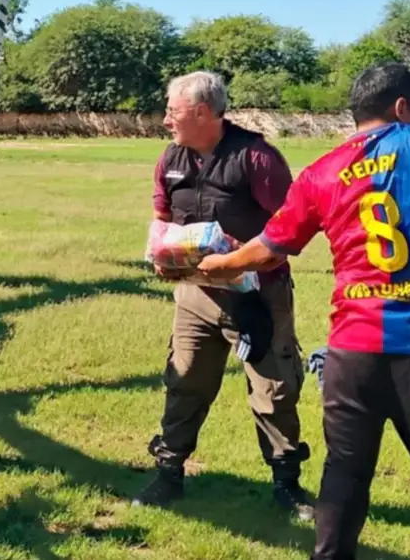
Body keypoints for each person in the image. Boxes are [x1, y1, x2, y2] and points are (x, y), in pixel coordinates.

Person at [198, 62, 410, 559]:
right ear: (403, 106)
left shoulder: (322, 171)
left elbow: (270, 248)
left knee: (345, 474)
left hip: (353, 349)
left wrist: (220, 262)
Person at [134, 70, 313, 519]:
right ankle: (169, 473)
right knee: (184, 381)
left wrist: (241, 259)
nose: (165, 120)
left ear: (200, 112)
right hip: (196, 295)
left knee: (274, 389)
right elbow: (162, 215)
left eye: (172, 111)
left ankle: (287, 485)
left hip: (258, 295)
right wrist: (161, 251)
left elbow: (289, 227)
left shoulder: (257, 158)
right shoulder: (170, 158)